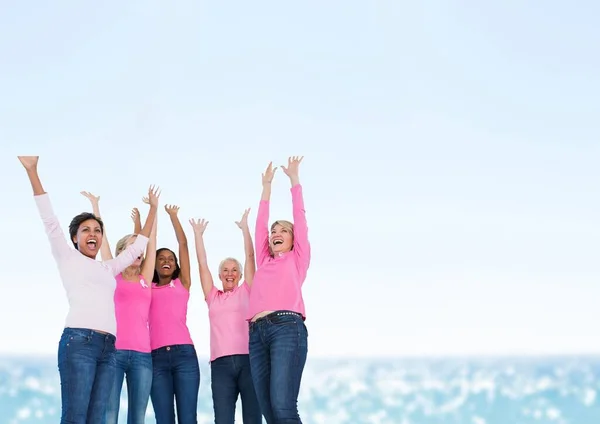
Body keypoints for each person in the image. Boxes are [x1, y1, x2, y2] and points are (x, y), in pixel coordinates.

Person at [17, 156, 158, 424]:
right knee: (75, 417)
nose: (92, 234)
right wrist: (33, 171)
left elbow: (138, 247)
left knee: (97, 419)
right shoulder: (67, 257)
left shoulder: (108, 269)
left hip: (108, 348)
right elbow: (49, 219)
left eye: (97, 230)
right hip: (79, 343)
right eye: (85, 230)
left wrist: (153, 209)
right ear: (75, 238)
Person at [81, 191, 160, 424]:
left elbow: (151, 239)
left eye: (140, 248)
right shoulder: (112, 272)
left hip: (143, 356)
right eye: (132, 247)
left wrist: (153, 209)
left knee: (138, 417)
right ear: (122, 252)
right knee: (109, 415)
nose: (139, 251)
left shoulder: (146, 275)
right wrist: (96, 206)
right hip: (113, 354)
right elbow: (103, 240)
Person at [247, 157, 311, 424]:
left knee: (283, 407)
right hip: (256, 333)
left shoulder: (297, 258)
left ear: (293, 239)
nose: (276, 232)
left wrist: (294, 180)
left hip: (287, 326)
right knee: (270, 413)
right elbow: (260, 225)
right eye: (274, 230)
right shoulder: (264, 260)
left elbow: (300, 218)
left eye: (283, 230)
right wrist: (266, 187)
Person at [189, 209, 262, 424]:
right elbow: (202, 264)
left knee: (252, 418)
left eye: (234, 270)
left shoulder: (247, 290)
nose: (230, 273)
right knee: (222, 419)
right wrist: (198, 236)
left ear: (240, 275)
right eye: (225, 270)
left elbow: (250, 258)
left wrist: (245, 229)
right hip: (220, 365)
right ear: (220, 275)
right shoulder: (213, 296)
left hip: (249, 361)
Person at [149, 204, 200, 424]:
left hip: (184, 357)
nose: (167, 261)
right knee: (164, 420)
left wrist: (173, 216)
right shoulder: (145, 289)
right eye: (161, 258)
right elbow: (147, 247)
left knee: (188, 419)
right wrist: (152, 213)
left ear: (176, 264)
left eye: (170, 258)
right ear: (154, 264)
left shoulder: (183, 284)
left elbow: (183, 244)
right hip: (155, 358)